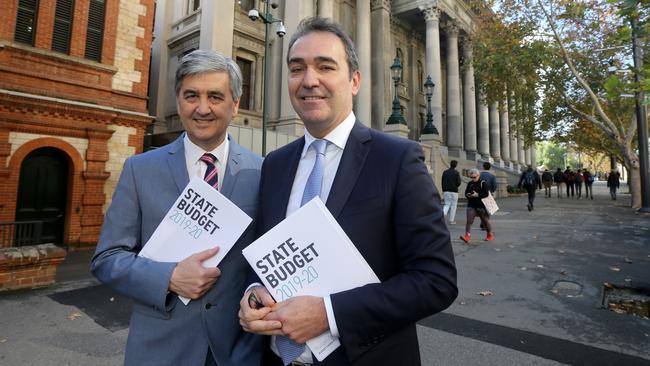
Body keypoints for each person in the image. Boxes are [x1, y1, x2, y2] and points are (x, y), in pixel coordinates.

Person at [238, 17, 457, 366]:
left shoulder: (398, 159)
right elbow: (267, 257)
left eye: (325, 66)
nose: (309, 80)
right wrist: (253, 294)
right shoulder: (275, 164)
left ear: (354, 81)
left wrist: (328, 313)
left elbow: (436, 281)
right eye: (297, 69)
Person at [91, 50, 263, 366]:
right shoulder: (139, 170)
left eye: (215, 96)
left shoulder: (263, 172)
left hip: (237, 352)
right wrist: (168, 277)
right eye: (191, 95)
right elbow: (107, 259)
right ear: (178, 101)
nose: (202, 108)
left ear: (235, 105)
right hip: (160, 350)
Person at [460, 168, 494, 243]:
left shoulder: (483, 183)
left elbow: (486, 194)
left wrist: (477, 195)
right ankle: (467, 236)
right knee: (469, 221)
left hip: (481, 206)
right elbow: (466, 192)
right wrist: (468, 195)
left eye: (474, 177)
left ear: (478, 176)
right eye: (471, 177)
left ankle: (489, 234)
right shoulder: (470, 183)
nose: (473, 179)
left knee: (485, 221)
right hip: (471, 205)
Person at [441, 160, 462, 225]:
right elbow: (458, 183)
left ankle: (443, 214)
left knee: (447, 204)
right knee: (453, 206)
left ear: (450, 164)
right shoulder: (456, 173)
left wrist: (444, 190)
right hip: (454, 191)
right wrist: (455, 186)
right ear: (456, 165)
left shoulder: (445, 172)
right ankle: (451, 220)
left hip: (446, 191)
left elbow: (442, 181)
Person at [479, 162, 497, 230]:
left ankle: (483, 222)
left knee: (481, 209)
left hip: (480, 194)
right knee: (487, 210)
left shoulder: (479, 175)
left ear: (483, 167)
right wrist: (491, 191)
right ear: (490, 168)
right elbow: (495, 186)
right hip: (488, 193)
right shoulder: (492, 176)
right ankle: (485, 223)